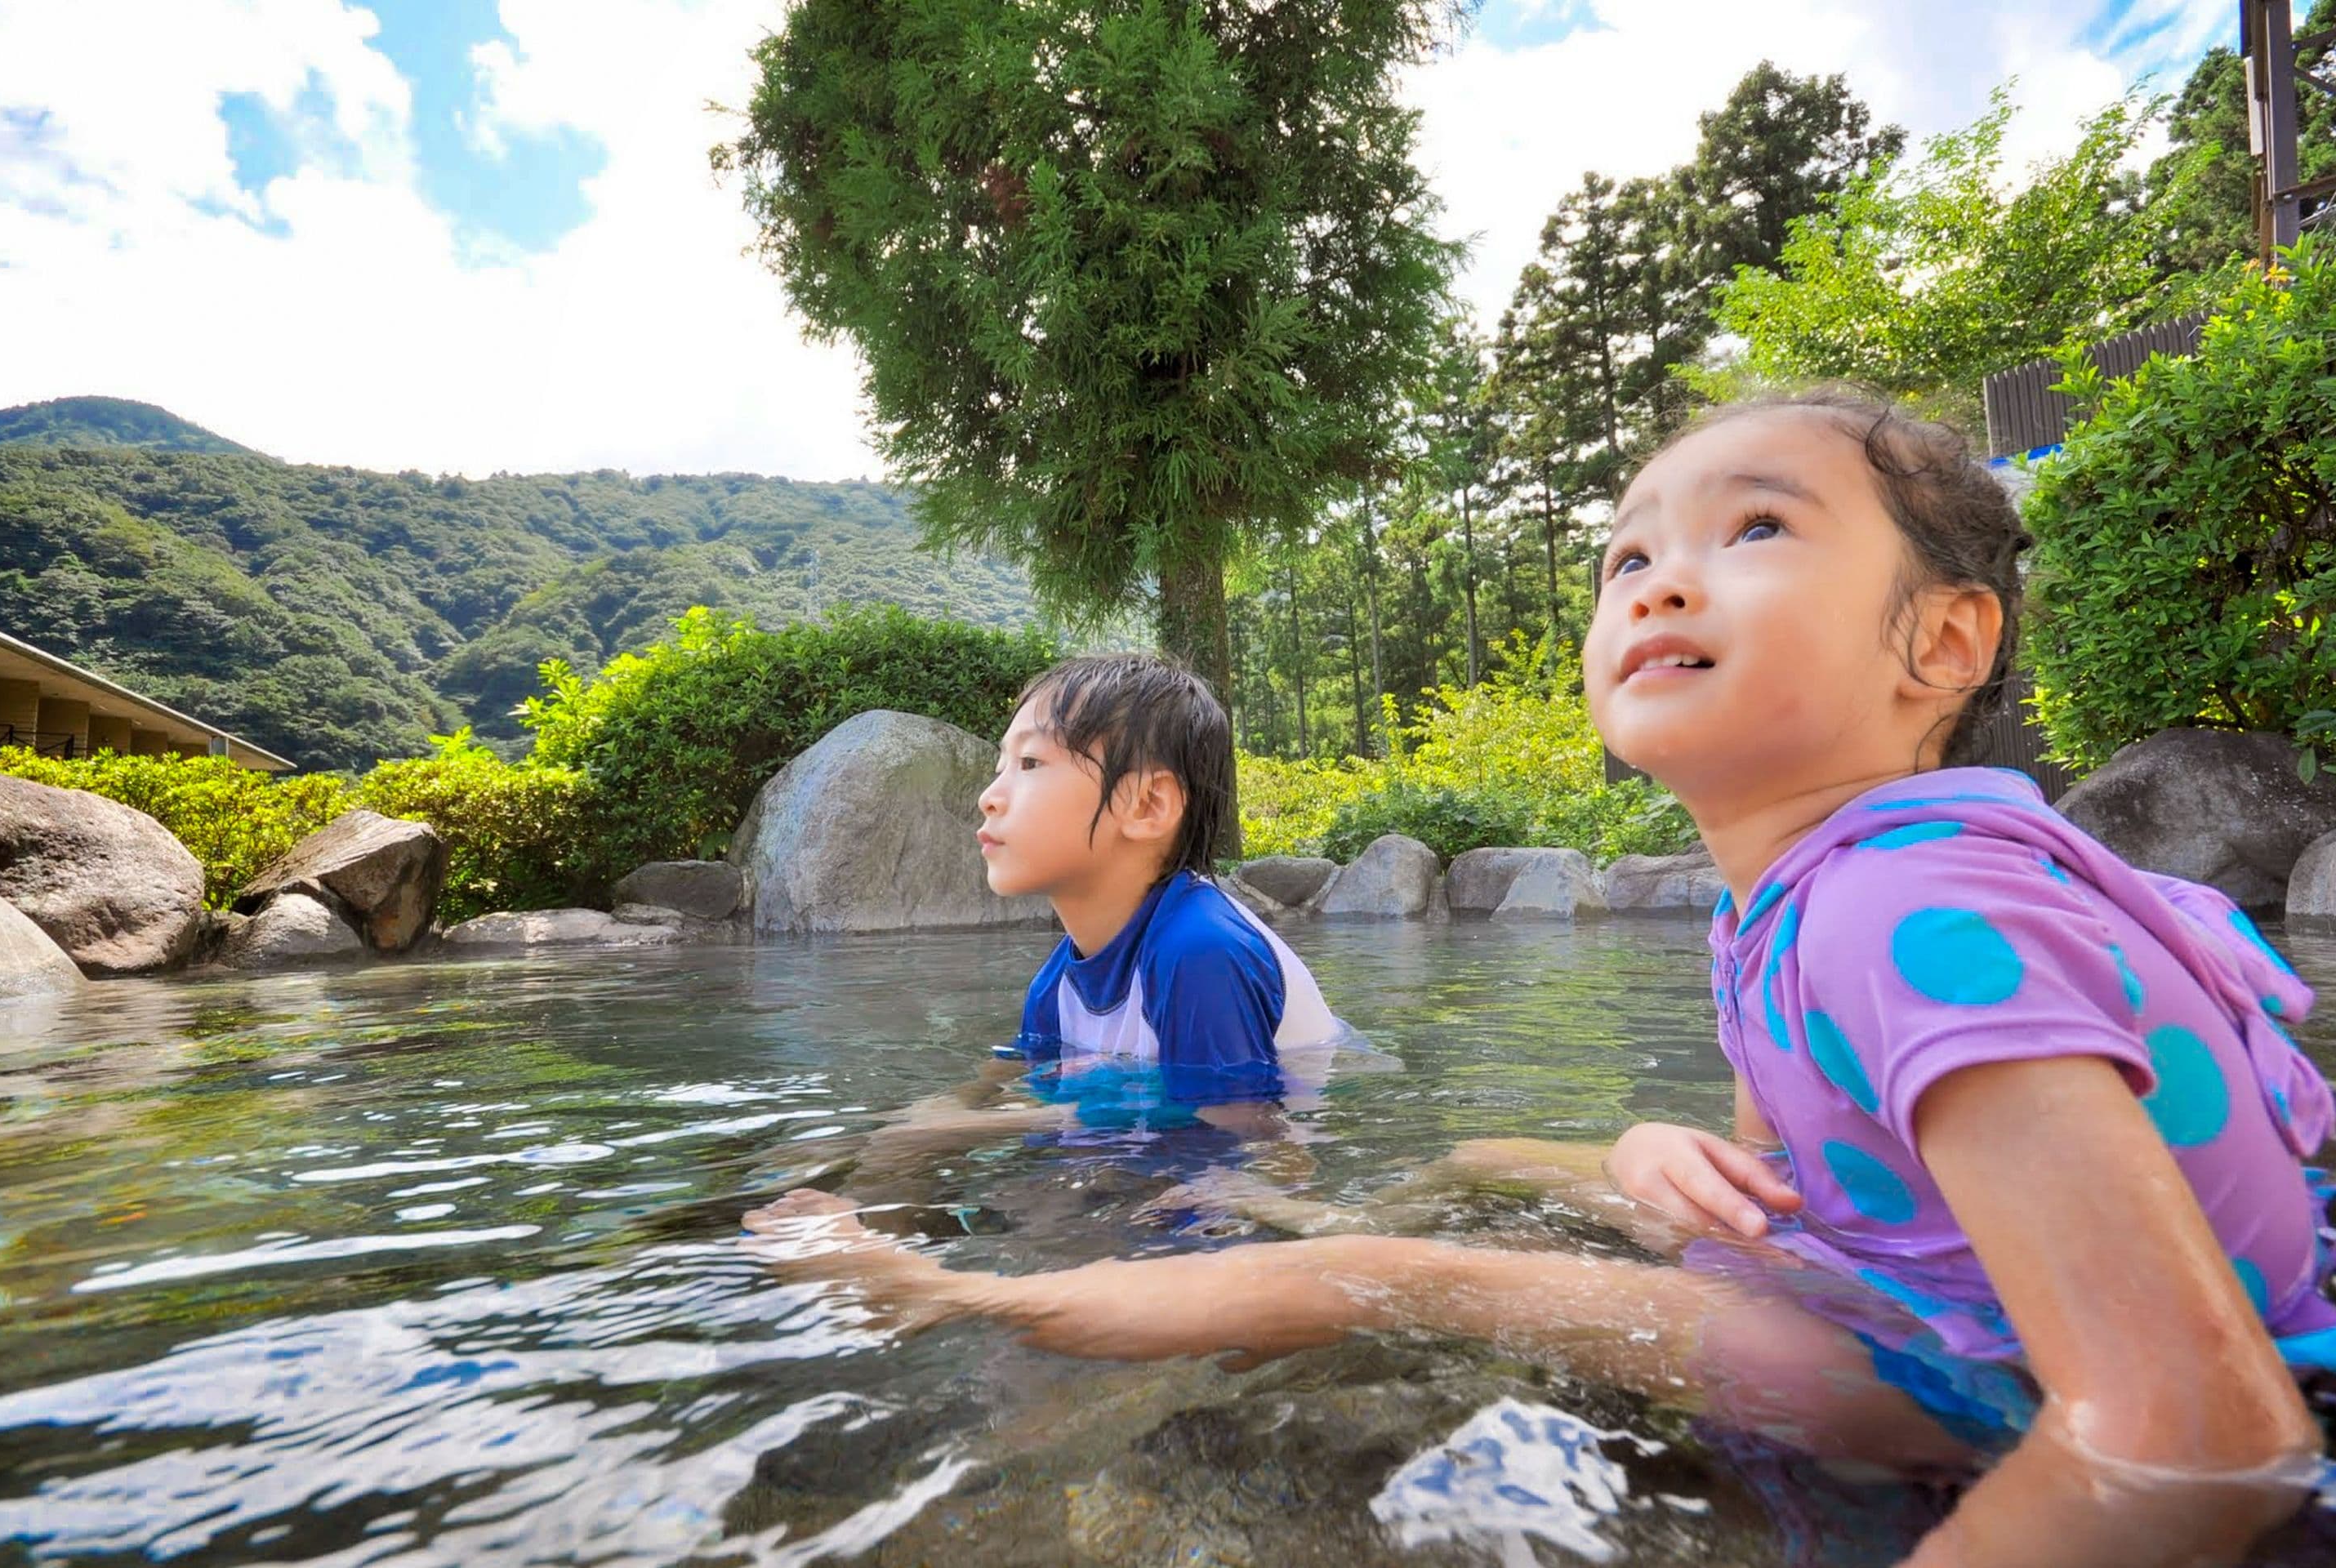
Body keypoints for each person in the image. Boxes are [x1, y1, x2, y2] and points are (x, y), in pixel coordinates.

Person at [747, 391, 2336, 1566]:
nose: (1654, 579)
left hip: (1990, 1375)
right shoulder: (1798, 902)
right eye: (1625, 553)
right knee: (1493, 1166)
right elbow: (1794, 1185)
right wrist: (1649, 1154)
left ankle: (956, 1293)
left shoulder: (1906, 907)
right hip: (1923, 1282)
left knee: (1404, 1273)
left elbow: (2203, 1432)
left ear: (1942, 642)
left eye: (1756, 528)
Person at [769, 653, 1347, 1204]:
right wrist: (897, 1130)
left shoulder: (1200, 950)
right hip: (1162, 1150)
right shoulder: (1058, 984)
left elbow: (1253, 1149)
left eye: (1029, 764)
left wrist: (955, 1134)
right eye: (1001, 767)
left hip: (1245, 1170)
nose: (989, 797)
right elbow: (1013, 1076)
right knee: (902, 1161)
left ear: (1147, 805)